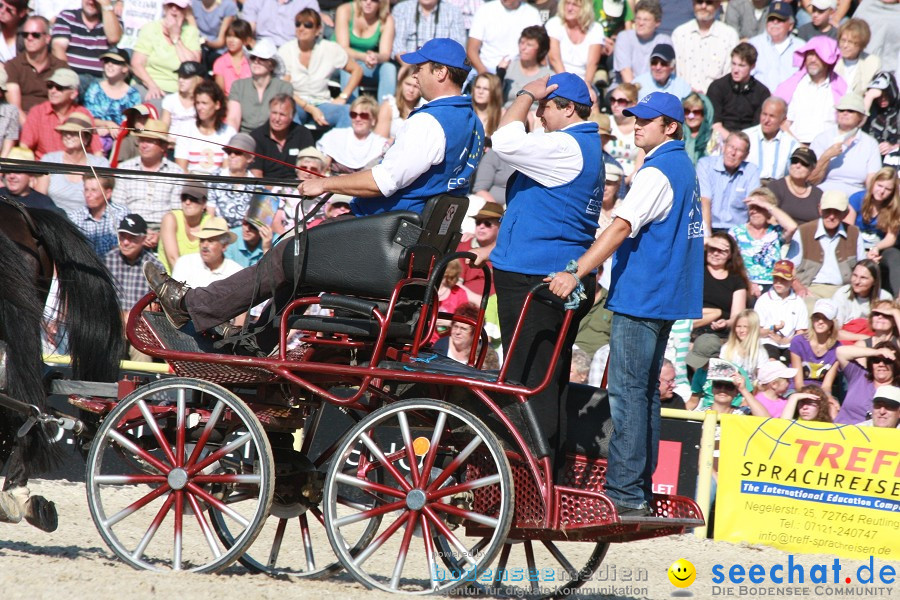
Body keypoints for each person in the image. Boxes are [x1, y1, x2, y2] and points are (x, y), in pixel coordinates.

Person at [145, 38, 484, 332]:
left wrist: (324, 184)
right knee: (297, 259)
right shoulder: (472, 123)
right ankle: (259, 339)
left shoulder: (428, 122)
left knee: (287, 254)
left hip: (388, 237)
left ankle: (191, 305)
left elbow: (384, 182)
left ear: (440, 72)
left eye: (421, 67)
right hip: (410, 241)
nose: (415, 74)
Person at [546, 90, 703, 517]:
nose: (637, 124)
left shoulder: (657, 172)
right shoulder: (681, 166)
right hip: (664, 295)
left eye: (646, 120)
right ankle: (639, 490)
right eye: (636, 117)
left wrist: (574, 271)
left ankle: (625, 493)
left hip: (643, 295)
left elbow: (619, 229)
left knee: (628, 394)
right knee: (644, 393)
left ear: (670, 126)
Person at [473, 72, 602, 482]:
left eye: (547, 105)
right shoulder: (577, 144)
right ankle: (549, 474)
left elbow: (503, 139)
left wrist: (527, 91)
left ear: (566, 108)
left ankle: (532, 478)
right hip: (547, 272)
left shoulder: (567, 144)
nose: (539, 112)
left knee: (528, 381)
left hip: (537, 278)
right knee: (548, 379)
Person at [280, 8, 362, 129]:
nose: (301, 28)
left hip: (321, 102)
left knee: (346, 111)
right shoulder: (285, 50)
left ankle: (340, 146)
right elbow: (284, 88)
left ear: (318, 29)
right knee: (288, 109)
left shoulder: (330, 49)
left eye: (307, 25)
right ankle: (295, 146)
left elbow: (357, 70)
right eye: (298, 24)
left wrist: (343, 96)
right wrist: (309, 108)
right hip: (296, 101)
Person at [103, 213, 166, 361]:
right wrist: (121, 318)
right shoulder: (107, 260)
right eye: (122, 236)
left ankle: (141, 383)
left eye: (132, 238)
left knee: (142, 353)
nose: (125, 242)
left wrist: (131, 318)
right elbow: (100, 300)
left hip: (141, 327)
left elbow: (156, 307)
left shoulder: (154, 266)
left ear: (143, 239)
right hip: (112, 323)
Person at [787, 190, 865, 309]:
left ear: (845, 213)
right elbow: (788, 267)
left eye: (837, 212)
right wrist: (798, 286)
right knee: (808, 310)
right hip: (811, 289)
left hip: (844, 291)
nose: (832, 216)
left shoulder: (854, 233)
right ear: (820, 209)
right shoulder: (803, 231)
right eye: (827, 211)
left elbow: (862, 267)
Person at [112, 120, 186, 234]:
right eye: (142, 140)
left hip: (164, 229)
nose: (144, 145)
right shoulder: (125, 168)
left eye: (150, 141)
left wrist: (160, 235)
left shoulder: (176, 172)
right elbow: (117, 208)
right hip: (130, 228)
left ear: (163, 147)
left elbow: (176, 212)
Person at [34, 113, 110, 219]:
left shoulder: (100, 164)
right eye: (65, 132)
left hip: (88, 222)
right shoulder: (49, 160)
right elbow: (39, 198)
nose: (68, 136)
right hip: (55, 221)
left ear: (86, 138)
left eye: (74, 133)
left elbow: (104, 200)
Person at [809, 93, 883, 197]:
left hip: (856, 196)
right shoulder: (822, 139)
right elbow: (811, 180)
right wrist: (826, 156)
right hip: (824, 193)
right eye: (841, 110)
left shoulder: (870, 143)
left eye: (850, 111)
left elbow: (872, 180)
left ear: (860, 116)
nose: (845, 113)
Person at [728, 186, 797, 297]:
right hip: (743, 284)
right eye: (751, 207)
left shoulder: (776, 232)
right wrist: (748, 283)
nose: (754, 211)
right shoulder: (736, 232)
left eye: (759, 207)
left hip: (772, 285)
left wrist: (766, 204)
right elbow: (731, 263)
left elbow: (792, 227)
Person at [19, 68, 103, 159]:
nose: (53, 91)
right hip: (44, 170)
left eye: (59, 87)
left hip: (75, 169)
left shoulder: (83, 114)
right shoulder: (37, 112)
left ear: (73, 94)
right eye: (50, 86)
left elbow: (97, 151)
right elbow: (24, 147)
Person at [778, 36, 847, 145]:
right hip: (795, 149)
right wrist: (799, 148)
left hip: (829, 150)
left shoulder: (842, 89)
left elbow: (848, 125)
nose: (813, 59)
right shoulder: (792, 86)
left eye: (818, 55)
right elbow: (782, 123)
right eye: (810, 54)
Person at [130, 0, 202, 101]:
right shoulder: (150, 28)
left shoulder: (191, 32)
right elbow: (136, 64)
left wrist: (176, 38)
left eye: (179, 7)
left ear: (186, 11)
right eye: (170, 5)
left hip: (177, 91)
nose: (174, 9)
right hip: (147, 85)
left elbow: (192, 66)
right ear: (165, 8)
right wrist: (152, 86)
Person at [5, 16, 68, 125]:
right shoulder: (13, 66)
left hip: (51, 120)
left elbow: (63, 106)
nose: (29, 38)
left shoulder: (60, 68)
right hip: (21, 121)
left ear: (47, 38)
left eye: (35, 35)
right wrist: (33, 132)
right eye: (25, 35)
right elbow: (15, 108)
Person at [847, 167, 900, 293]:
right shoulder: (857, 198)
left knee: (894, 255)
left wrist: (876, 248)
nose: (882, 191)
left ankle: (898, 297)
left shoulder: (894, 207)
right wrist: (862, 253)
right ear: (873, 183)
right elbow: (848, 229)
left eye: (887, 189)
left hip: (879, 249)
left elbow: (891, 237)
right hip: (855, 245)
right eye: (879, 185)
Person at [49, 0, 123, 90]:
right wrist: (69, 78)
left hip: (102, 81)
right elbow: (58, 49)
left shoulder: (113, 19)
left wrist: (106, 5)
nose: (91, 2)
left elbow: (114, 38)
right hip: (72, 78)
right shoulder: (67, 17)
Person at [334, 0, 397, 102]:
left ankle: (385, 113)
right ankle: (351, 110)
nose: (368, 2)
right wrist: (364, 57)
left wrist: (376, 57)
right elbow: (343, 48)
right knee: (350, 66)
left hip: (367, 64)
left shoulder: (387, 19)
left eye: (374, 0)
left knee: (389, 67)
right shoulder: (344, 10)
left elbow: (385, 54)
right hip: (340, 63)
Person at [697, 131, 760, 233]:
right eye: (731, 147)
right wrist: (708, 237)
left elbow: (754, 204)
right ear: (724, 146)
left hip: (738, 231)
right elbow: (704, 202)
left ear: (746, 155)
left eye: (739, 150)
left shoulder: (751, 171)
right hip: (710, 226)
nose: (733, 153)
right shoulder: (705, 165)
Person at [226, 40, 294, 134]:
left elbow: (282, 120)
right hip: (245, 136)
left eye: (262, 58)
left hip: (272, 136)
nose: (256, 61)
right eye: (253, 57)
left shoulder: (284, 88)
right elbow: (233, 119)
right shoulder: (238, 86)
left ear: (272, 65)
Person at [671, 0, 739, 94]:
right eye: (699, 2)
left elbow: (729, 73)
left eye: (709, 2)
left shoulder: (729, 35)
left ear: (717, 5)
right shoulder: (679, 34)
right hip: (684, 99)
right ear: (693, 4)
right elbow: (673, 72)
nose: (703, 6)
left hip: (716, 100)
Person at [706, 42, 770, 140]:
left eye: (741, 65)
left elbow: (758, 128)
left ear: (752, 66)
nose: (735, 70)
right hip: (720, 139)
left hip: (750, 141)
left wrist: (743, 144)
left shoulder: (762, 92)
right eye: (734, 64)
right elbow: (715, 125)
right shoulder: (717, 87)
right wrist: (734, 142)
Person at [83, 49, 141, 155]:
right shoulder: (94, 89)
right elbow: (87, 118)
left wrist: (113, 130)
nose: (109, 65)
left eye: (115, 62)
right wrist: (106, 124)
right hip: (96, 135)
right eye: (107, 61)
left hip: (121, 139)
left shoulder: (133, 95)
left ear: (125, 68)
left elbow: (133, 124)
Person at [174, 80, 236, 175]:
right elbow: (181, 170)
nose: (199, 107)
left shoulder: (228, 133)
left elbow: (226, 171)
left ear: (217, 105)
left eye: (204, 103)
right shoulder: (185, 129)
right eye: (197, 103)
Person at [695, 231, 749, 336]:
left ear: (730, 255)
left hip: (719, 333)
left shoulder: (736, 280)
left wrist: (726, 323)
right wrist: (708, 240)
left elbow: (737, 316)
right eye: (713, 248)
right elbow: (682, 248)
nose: (716, 253)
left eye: (722, 251)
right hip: (694, 327)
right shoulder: (695, 270)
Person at [248, 94, 315, 179]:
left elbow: (309, 169)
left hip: (296, 187)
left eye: (282, 115)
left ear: (292, 116)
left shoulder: (303, 134)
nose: (277, 119)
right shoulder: (256, 136)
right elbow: (256, 175)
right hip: (266, 188)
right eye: (274, 113)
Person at [466, 0, 541, 76]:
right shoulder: (485, 10)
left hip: (519, 71)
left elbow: (540, 47)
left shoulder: (532, 13)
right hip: (487, 69)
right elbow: (472, 49)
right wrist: (484, 73)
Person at [755, 260, 808, 363]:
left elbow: (801, 332)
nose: (778, 282)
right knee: (771, 360)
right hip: (767, 342)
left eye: (783, 279)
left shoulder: (798, 302)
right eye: (776, 278)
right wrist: (771, 330)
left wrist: (784, 341)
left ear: (792, 281)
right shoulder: (764, 300)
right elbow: (756, 331)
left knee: (793, 360)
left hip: (790, 344)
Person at [835, 340, 900, 424]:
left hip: (876, 436)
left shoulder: (897, 391)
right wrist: (876, 352)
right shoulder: (859, 376)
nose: (881, 364)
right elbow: (840, 352)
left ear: (896, 364)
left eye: (887, 360)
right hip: (842, 433)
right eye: (876, 360)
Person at [207, 133, 265, 227]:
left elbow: (257, 221)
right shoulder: (215, 178)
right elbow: (210, 214)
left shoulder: (257, 186)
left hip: (244, 236)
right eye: (229, 152)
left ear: (249, 158)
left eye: (238, 152)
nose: (232, 155)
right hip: (218, 233)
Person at [748, 2, 804, 93]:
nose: (775, 22)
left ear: (790, 26)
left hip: (791, 103)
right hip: (760, 102)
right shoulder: (753, 45)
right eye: (771, 19)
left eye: (780, 20)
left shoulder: (801, 47)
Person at [171, 216, 243, 288]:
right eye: (202, 240)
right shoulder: (185, 263)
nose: (204, 245)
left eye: (211, 241)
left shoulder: (235, 272)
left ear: (224, 246)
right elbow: (174, 295)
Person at [545, 0, 604, 85]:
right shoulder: (554, 23)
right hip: (558, 79)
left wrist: (586, 86)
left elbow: (592, 64)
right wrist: (568, 85)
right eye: (567, 3)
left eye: (575, 5)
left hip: (584, 82)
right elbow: (554, 60)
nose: (569, 8)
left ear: (585, 8)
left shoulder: (596, 28)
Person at [612, 0, 671, 84]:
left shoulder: (664, 41)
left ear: (657, 23)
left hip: (655, 89)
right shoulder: (624, 37)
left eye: (646, 20)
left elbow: (667, 74)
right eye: (638, 18)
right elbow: (626, 74)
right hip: (626, 89)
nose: (640, 23)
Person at [743, 97, 799, 184]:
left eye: (772, 116)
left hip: (777, 190)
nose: (766, 120)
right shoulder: (746, 137)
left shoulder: (791, 144)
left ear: (783, 120)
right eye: (764, 114)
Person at [157, 183, 211, 273]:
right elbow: (173, 259)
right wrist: (188, 284)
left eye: (193, 199)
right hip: (168, 281)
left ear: (204, 203)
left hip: (199, 281)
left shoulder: (209, 222)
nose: (187, 202)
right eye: (184, 198)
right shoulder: (170, 218)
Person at [790, 298, 839, 395]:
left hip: (821, 392)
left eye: (825, 318)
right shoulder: (798, 342)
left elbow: (827, 386)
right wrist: (808, 395)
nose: (820, 321)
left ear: (832, 323)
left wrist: (825, 398)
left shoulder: (837, 349)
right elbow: (798, 383)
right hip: (796, 390)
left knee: (833, 407)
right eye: (817, 317)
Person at [391, 0, 467, 62]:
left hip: (440, 67)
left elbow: (457, 48)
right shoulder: (401, 9)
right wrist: (410, 67)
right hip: (409, 66)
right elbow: (398, 46)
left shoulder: (454, 12)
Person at [497, 25, 552, 107]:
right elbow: (493, 99)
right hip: (506, 113)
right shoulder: (507, 68)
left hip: (534, 116)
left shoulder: (548, 76)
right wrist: (500, 75)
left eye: (529, 45)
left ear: (540, 49)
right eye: (522, 43)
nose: (523, 47)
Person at [766, 146, 822, 225]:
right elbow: (770, 219)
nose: (798, 166)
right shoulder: (775, 187)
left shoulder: (818, 194)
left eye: (804, 163)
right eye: (794, 161)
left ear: (812, 168)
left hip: (808, 235)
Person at [457, 201, 503, 298]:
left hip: (494, 308)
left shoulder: (505, 251)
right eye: (478, 222)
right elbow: (455, 287)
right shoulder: (463, 247)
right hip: (465, 305)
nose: (481, 227)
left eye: (487, 223)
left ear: (500, 227)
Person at [830, 259, 892, 328]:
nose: (857, 281)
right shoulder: (842, 294)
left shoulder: (885, 298)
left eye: (863, 278)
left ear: (874, 281)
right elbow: (836, 332)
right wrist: (866, 338)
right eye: (855, 275)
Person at [75, 174, 126, 256]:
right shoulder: (75, 218)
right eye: (86, 190)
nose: (88, 195)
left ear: (108, 193)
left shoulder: (121, 214)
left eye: (94, 190)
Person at [242, 0, 323, 48]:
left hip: (292, 48)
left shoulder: (308, 2)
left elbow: (311, 30)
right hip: (260, 46)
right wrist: (252, 44)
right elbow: (248, 27)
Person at [0, 146, 59, 212]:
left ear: (31, 176)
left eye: (17, 172)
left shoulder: (44, 203)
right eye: (8, 171)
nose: (12, 176)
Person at [833, 18, 881, 97]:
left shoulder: (872, 63)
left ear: (861, 45)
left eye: (850, 42)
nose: (845, 45)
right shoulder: (832, 60)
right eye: (843, 40)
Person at [718, 308, 768, 380]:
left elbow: (762, 380)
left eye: (746, 327)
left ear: (753, 329)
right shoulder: (726, 348)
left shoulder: (760, 352)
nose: (741, 330)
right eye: (738, 326)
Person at [161, 61, 203, 143]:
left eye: (186, 77)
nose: (180, 80)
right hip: (172, 145)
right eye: (179, 76)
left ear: (198, 79)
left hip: (196, 145)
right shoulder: (170, 100)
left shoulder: (202, 101)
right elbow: (163, 128)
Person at [863, 72, 899, 163]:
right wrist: (869, 97)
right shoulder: (870, 110)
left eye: (886, 95)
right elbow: (857, 127)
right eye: (879, 96)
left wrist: (893, 147)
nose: (882, 99)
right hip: (872, 159)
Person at [375, 69, 422, 139]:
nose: (411, 90)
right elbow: (379, 140)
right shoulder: (389, 106)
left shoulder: (423, 107)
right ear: (401, 83)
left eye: (416, 86)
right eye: (408, 84)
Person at [192, 0, 238, 71]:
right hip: (197, 45)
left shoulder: (228, 5)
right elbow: (193, 32)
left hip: (218, 49)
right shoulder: (192, 3)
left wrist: (207, 43)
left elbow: (221, 42)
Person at [212, 19, 252, 96]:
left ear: (246, 40)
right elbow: (220, 93)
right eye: (229, 36)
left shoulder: (252, 61)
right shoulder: (220, 62)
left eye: (237, 37)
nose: (231, 40)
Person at [681, 92, 713, 165]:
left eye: (696, 112)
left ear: (705, 114)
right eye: (687, 111)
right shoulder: (677, 135)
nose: (691, 116)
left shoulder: (714, 138)